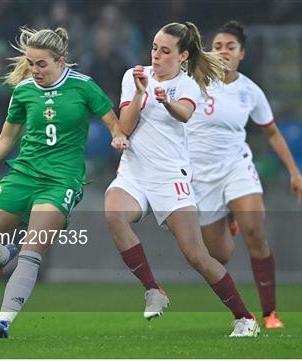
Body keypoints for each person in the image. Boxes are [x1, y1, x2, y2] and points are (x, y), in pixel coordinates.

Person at [0, 27, 128, 338]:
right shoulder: (23, 92)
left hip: (60, 181)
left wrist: (119, 136)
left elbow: (112, 122)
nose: (35, 70)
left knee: (33, 251)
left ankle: (2, 322)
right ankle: (3, 254)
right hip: (22, 176)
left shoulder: (84, 87)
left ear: (60, 61)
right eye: (30, 63)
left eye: (41, 64)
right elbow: (4, 141)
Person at [104, 22, 259, 337]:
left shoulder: (189, 85)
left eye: (165, 51)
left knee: (197, 256)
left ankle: (245, 318)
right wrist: (141, 94)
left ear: (183, 56)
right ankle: (153, 289)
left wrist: (163, 101)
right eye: (154, 48)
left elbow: (184, 114)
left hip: (170, 177)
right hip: (134, 172)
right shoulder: (134, 75)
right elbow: (125, 126)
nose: (156, 56)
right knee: (113, 214)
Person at [186, 21, 302, 329]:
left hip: (236, 167)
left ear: (241, 54)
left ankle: (270, 313)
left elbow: (271, 132)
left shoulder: (250, 91)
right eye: (217, 46)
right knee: (220, 256)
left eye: (230, 47)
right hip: (200, 178)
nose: (223, 51)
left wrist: (295, 173)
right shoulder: (190, 81)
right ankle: (229, 220)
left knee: (255, 232)